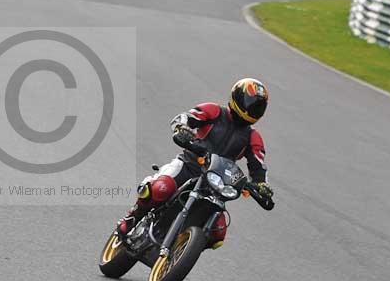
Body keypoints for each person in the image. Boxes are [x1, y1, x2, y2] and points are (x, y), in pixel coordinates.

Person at [117, 78, 275, 243]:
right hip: (189, 165)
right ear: (237, 97)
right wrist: (181, 129)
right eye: (250, 103)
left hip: (216, 183)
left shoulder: (253, 137)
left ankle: (184, 246)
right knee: (161, 188)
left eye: (258, 107)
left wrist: (261, 185)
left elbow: (258, 167)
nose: (252, 109)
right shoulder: (214, 111)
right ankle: (131, 218)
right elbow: (185, 117)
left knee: (218, 231)